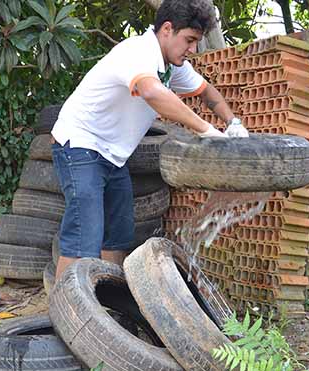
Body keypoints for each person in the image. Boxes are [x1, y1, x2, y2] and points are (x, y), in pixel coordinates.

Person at [50, 0, 248, 279]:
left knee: (118, 235)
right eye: (189, 40)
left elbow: (208, 93)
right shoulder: (137, 52)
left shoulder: (173, 66)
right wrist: (207, 131)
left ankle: (108, 305)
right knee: (84, 237)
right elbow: (152, 93)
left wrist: (234, 124)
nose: (192, 50)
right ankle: (66, 312)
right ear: (167, 29)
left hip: (114, 155)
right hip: (81, 145)